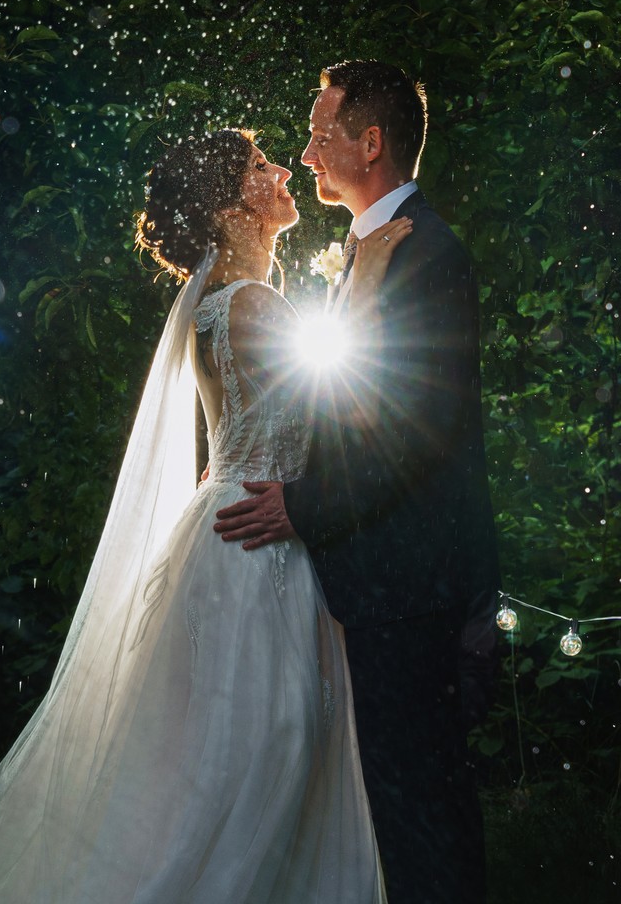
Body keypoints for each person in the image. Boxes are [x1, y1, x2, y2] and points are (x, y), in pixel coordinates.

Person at [0, 128, 407, 903]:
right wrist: (371, 281)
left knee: (232, 752)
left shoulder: (223, 303)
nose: (283, 170)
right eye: (259, 167)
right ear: (227, 208)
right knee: (270, 748)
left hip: (244, 528)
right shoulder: (248, 304)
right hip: (261, 548)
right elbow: (348, 406)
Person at [212, 60, 501, 903]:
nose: (305, 153)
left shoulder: (425, 254)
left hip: (412, 583)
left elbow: (411, 429)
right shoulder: (377, 249)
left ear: (370, 144)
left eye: (319, 133)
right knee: (406, 807)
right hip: (386, 580)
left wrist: (300, 504)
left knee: (424, 810)